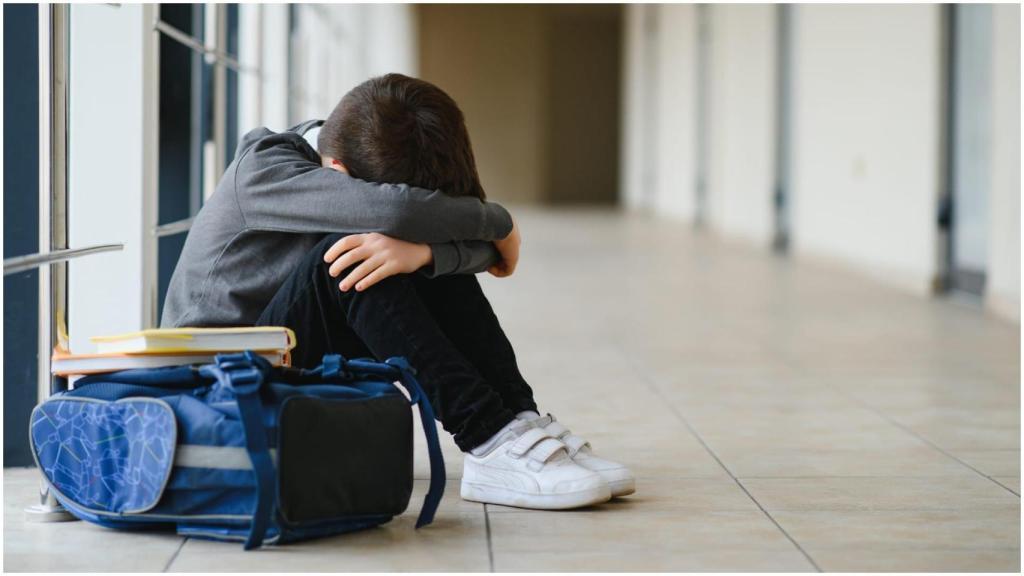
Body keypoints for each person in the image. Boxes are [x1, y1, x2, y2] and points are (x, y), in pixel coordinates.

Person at [162, 73, 634, 510]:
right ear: (340, 173)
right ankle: (486, 437)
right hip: (221, 382)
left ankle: (516, 421)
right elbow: (402, 215)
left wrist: (427, 255)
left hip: (285, 353)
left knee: (393, 254)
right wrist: (498, 221)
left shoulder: (355, 159)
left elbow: (454, 244)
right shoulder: (266, 170)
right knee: (345, 259)